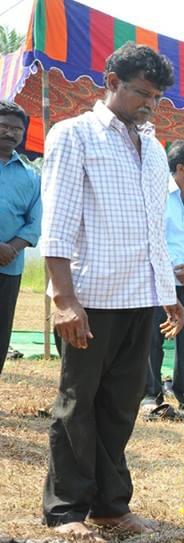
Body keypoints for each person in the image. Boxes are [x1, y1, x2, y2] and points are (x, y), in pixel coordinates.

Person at [39, 44, 184, 540]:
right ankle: (65, 510)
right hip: (91, 297)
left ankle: (109, 505)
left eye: (157, 97)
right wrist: (64, 299)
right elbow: (56, 224)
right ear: (112, 81)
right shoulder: (74, 135)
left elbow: (153, 229)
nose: (150, 105)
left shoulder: (155, 148)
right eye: (142, 93)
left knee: (120, 405)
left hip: (139, 298)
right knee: (78, 403)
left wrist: (167, 293)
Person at [143, 141, 184, 415]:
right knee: (154, 337)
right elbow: (151, 235)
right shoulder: (157, 194)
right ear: (181, 168)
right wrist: (169, 271)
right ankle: (150, 393)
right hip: (159, 278)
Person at [0, 100, 41, 376]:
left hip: (9, 267)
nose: (11, 133)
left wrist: (10, 249)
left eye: (17, 129)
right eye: (4, 126)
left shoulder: (31, 175)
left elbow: (34, 223)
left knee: (1, 332)